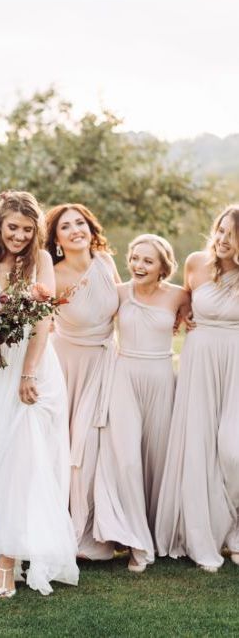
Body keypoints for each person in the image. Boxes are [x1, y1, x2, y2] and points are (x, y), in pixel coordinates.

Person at [0, 191, 78, 598]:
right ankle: (6, 550)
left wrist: (28, 373)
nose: (20, 236)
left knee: (24, 460)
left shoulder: (39, 261)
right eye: (13, 228)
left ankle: (8, 562)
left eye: (27, 229)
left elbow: (43, 322)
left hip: (32, 368)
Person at [93, 234, 188, 571]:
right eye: (135, 258)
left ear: (164, 266)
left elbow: (195, 323)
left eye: (148, 260)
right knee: (128, 460)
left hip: (162, 377)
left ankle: (158, 531)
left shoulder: (180, 295)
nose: (138, 265)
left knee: (158, 459)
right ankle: (136, 542)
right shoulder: (119, 294)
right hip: (124, 377)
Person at [155, 205, 239, 571]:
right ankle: (203, 532)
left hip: (236, 362)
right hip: (200, 360)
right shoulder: (195, 263)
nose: (222, 239)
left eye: (232, 235)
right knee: (200, 444)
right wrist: (184, 312)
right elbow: (183, 298)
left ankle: (235, 531)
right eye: (220, 231)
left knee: (233, 447)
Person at [45, 203, 121, 560]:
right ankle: (64, 526)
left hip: (106, 362)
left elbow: (126, 305)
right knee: (68, 446)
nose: (76, 230)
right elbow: (39, 323)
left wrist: (178, 312)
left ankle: (95, 529)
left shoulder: (105, 263)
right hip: (67, 366)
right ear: (56, 238)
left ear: (91, 228)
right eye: (66, 226)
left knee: (97, 447)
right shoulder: (53, 274)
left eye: (80, 223)